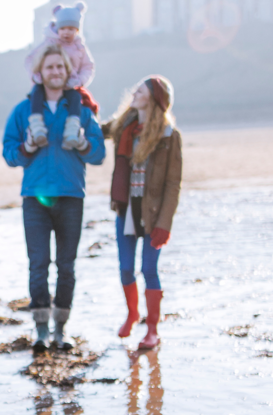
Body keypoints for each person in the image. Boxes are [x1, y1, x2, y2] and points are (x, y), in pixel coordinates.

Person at [3, 44, 106, 352]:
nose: (55, 72)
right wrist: (28, 148)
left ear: (67, 71)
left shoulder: (81, 111)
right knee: (38, 265)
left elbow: (99, 153)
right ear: (40, 72)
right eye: (50, 67)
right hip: (35, 198)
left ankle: (61, 330)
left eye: (60, 67)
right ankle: (40, 331)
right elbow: (9, 153)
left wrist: (84, 143)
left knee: (67, 266)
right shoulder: (23, 111)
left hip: (72, 196)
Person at [102, 76, 181, 350]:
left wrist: (165, 224)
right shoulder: (124, 127)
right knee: (125, 269)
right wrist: (80, 102)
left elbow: (173, 184)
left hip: (154, 213)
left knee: (149, 269)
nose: (135, 92)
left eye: (141, 90)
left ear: (155, 98)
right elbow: (97, 130)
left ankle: (152, 330)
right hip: (126, 208)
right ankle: (132, 313)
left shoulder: (169, 136)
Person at [24, 2, 97, 149]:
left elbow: (88, 67)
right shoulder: (49, 42)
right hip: (46, 85)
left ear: (77, 30)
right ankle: (37, 126)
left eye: (71, 29)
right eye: (63, 28)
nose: (66, 32)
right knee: (36, 94)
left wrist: (79, 80)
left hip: (70, 85)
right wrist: (36, 76)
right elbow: (30, 59)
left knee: (76, 98)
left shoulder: (79, 47)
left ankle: (72, 129)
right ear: (57, 28)